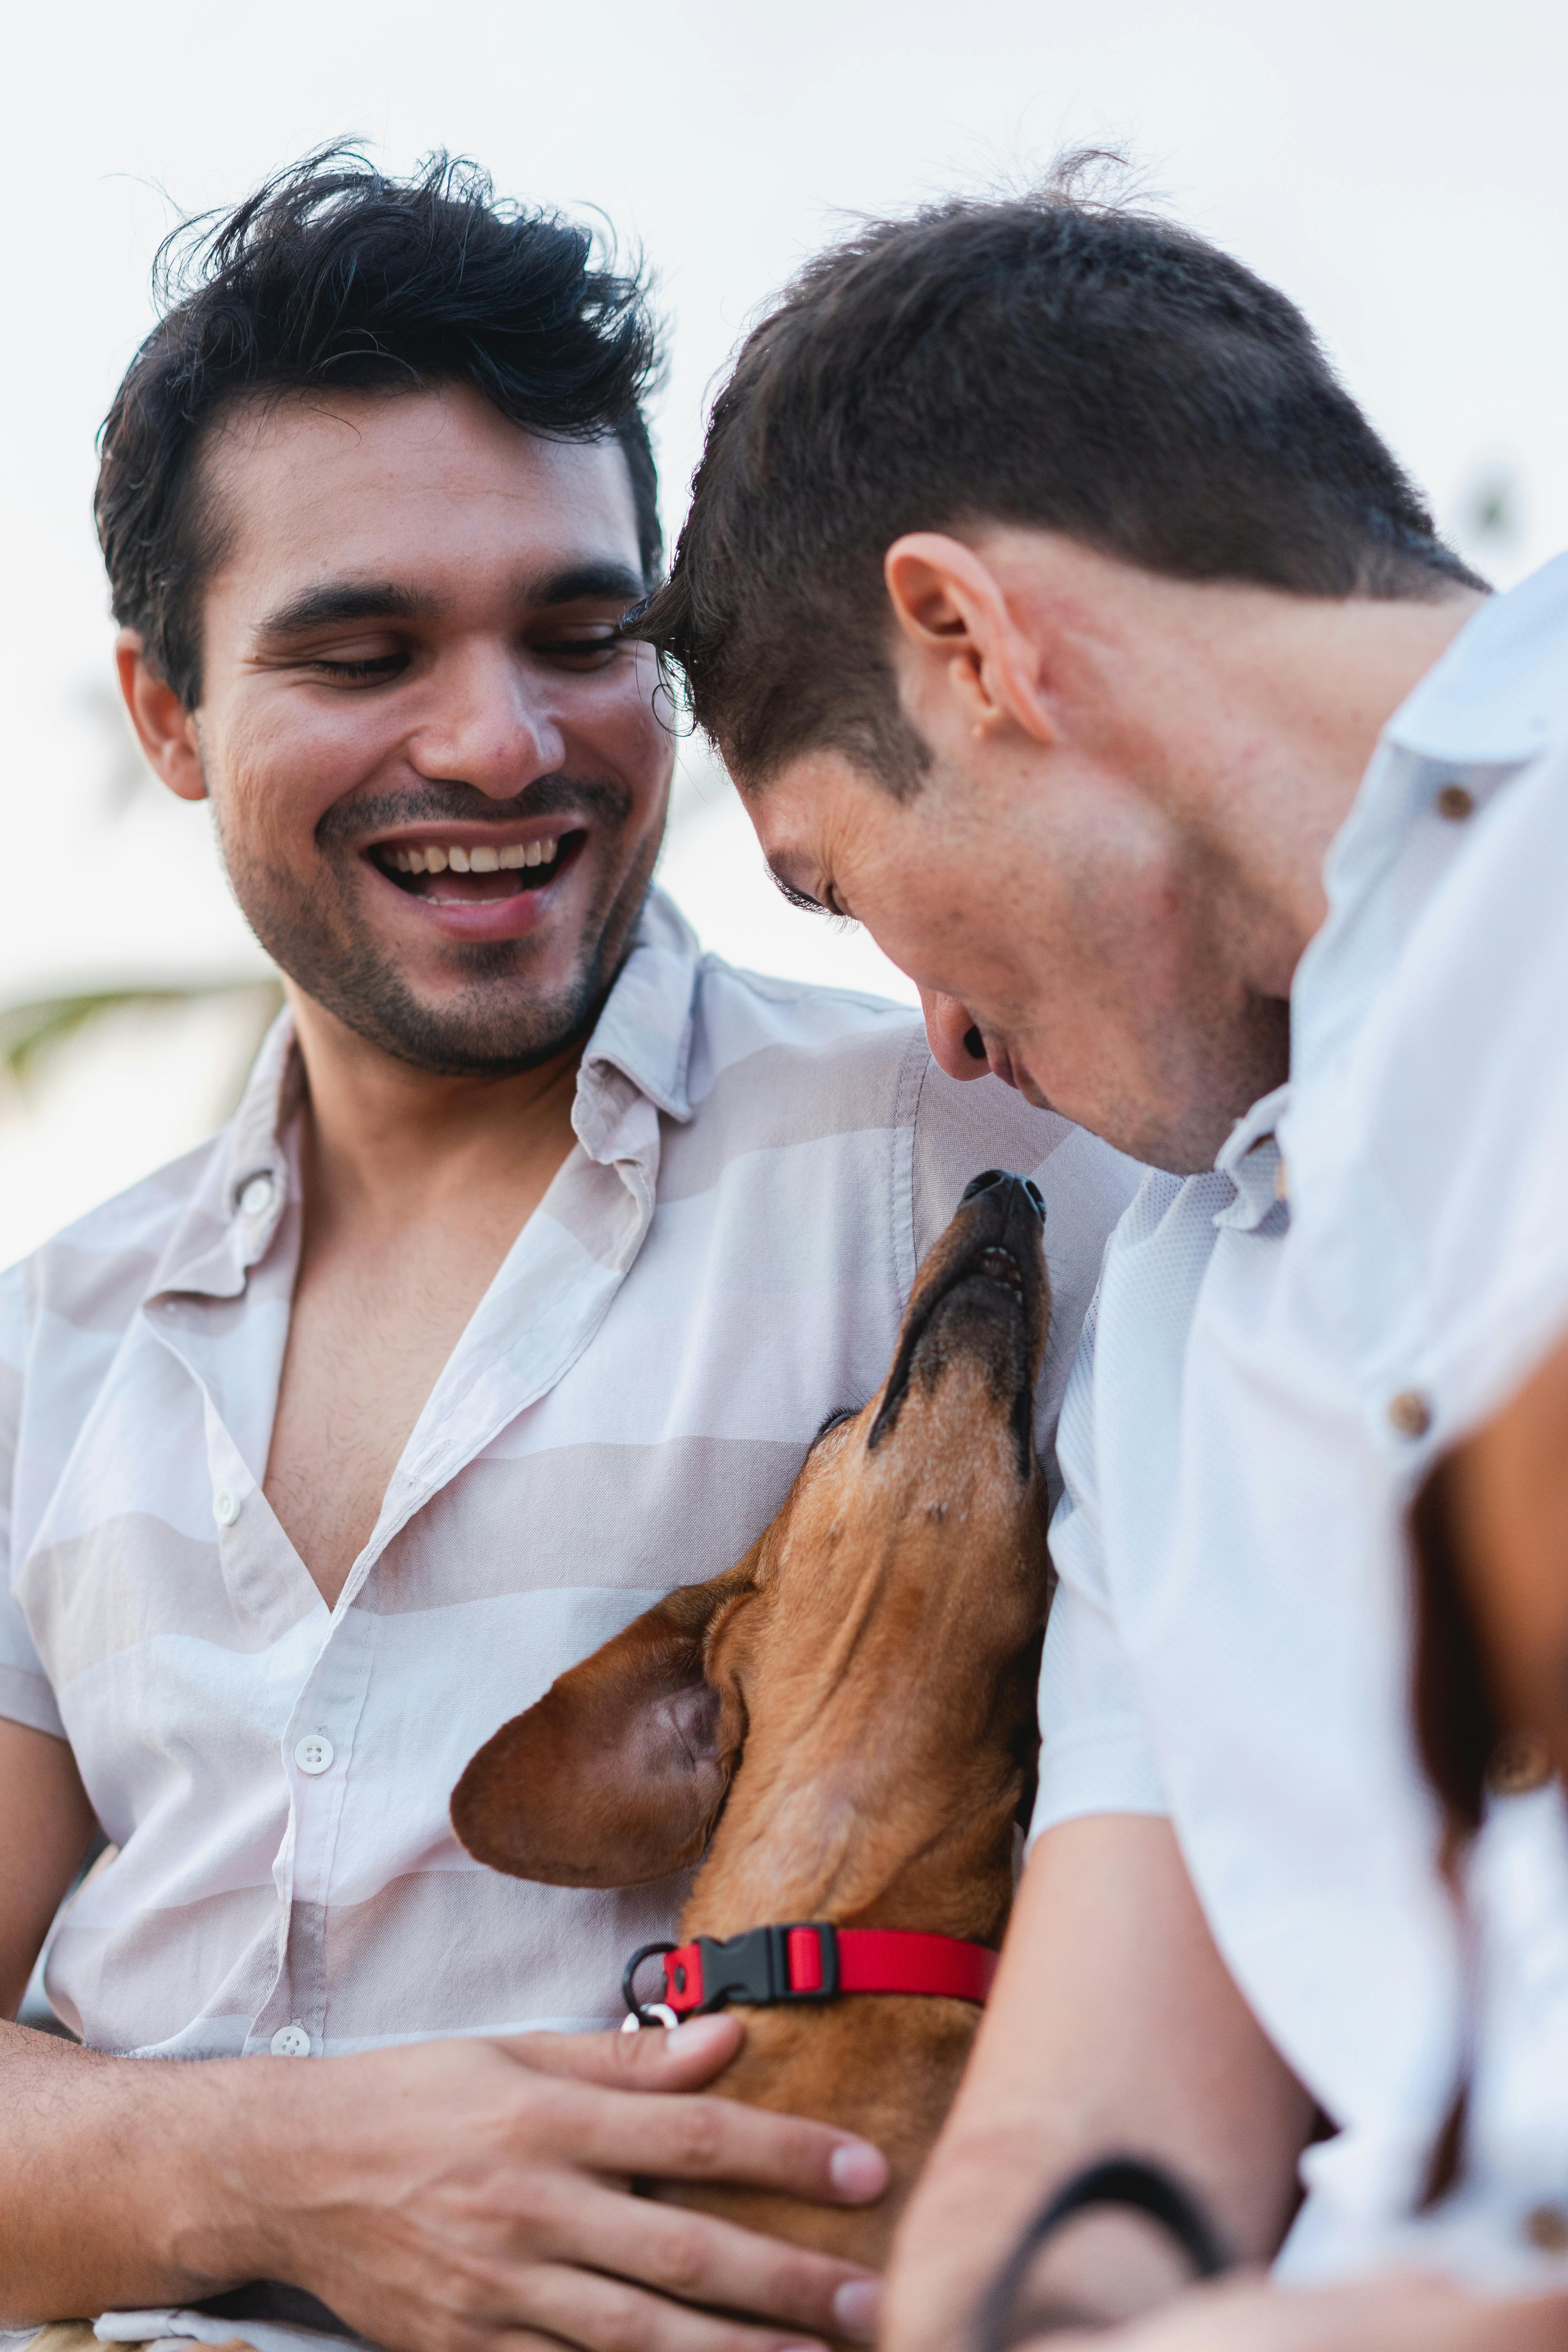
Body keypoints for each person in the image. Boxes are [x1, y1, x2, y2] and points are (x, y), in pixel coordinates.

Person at [0, 152, 1141, 2352]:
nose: (500, 740)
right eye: (363, 649)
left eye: (581, 632)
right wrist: (289, 2171)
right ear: (165, 713)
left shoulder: (984, 1148)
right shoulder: (47, 1350)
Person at [633, 173, 1568, 2346]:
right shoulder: (1165, 1340)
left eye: (840, 881)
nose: (938, 1027)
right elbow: (1086, 2138)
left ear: (969, 644)